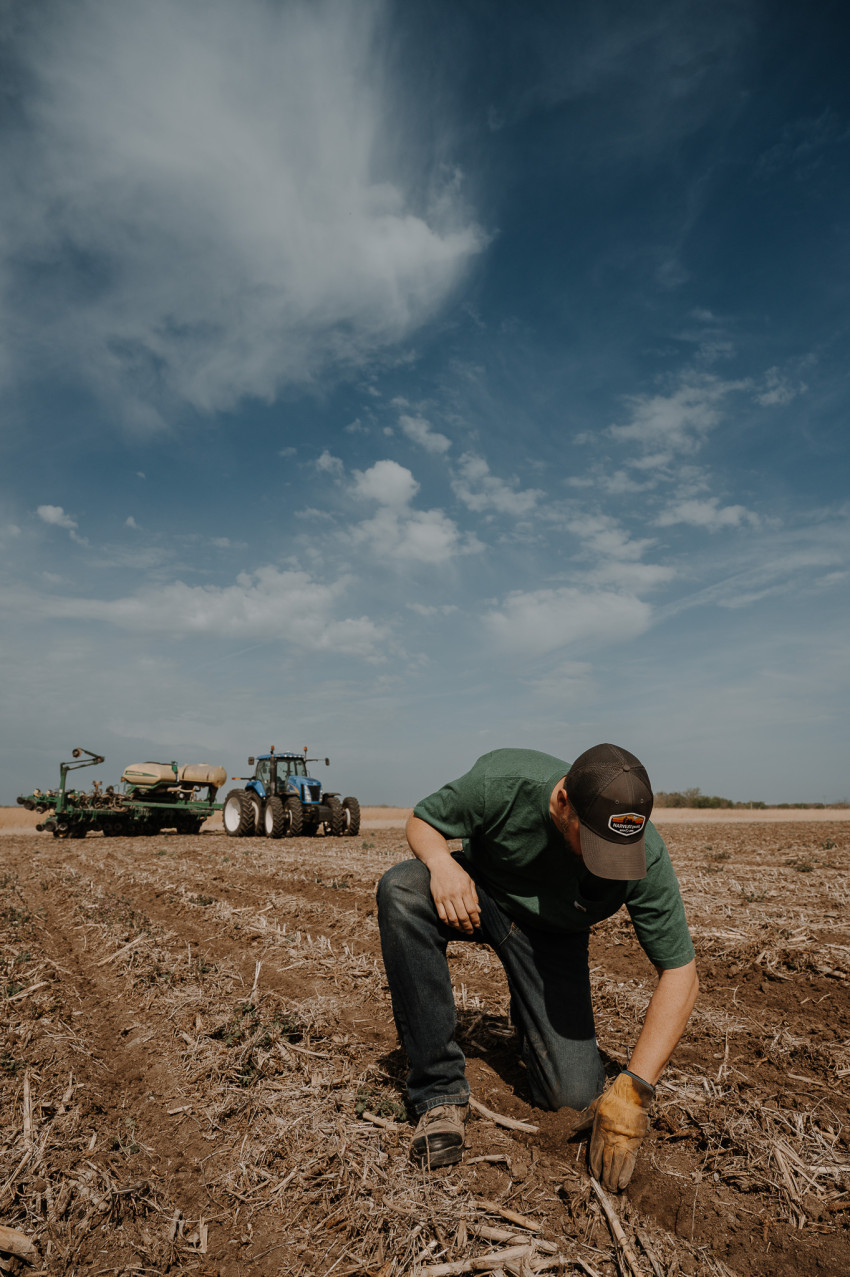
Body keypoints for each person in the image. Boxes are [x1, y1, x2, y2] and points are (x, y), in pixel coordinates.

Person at [376, 743, 698, 1191]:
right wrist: (440, 863)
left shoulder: (644, 853)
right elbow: (422, 820)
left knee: (573, 1095)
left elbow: (681, 974)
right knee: (403, 890)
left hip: (554, 938)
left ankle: (534, 1023)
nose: (606, 862)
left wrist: (635, 1089)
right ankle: (438, 1093)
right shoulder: (502, 782)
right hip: (482, 897)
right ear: (563, 802)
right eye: (594, 844)